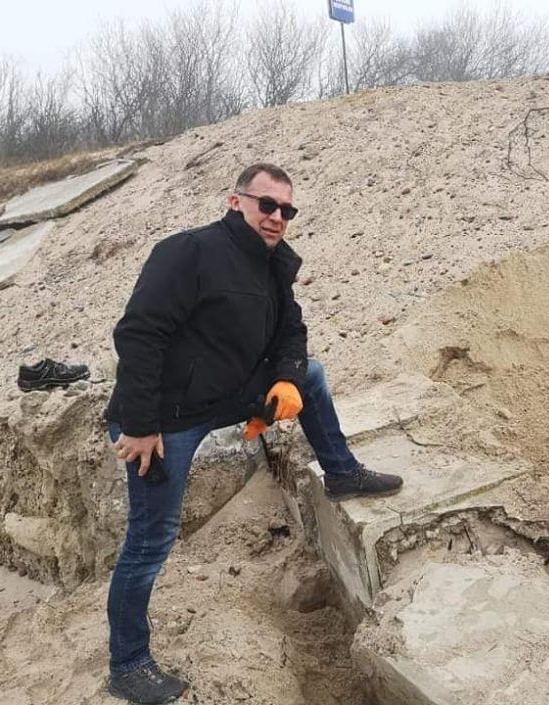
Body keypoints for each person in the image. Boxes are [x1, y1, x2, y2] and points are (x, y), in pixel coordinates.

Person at [103, 162, 403, 704]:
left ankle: (341, 473)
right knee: (150, 542)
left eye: (287, 210)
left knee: (310, 375)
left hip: (221, 396)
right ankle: (127, 664)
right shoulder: (188, 252)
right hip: (163, 419)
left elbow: (294, 330)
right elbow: (139, 335)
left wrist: (285, 380)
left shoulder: (274, 265)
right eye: (267, 205)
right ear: (234, 201)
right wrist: (141, 426)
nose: (277, 218)